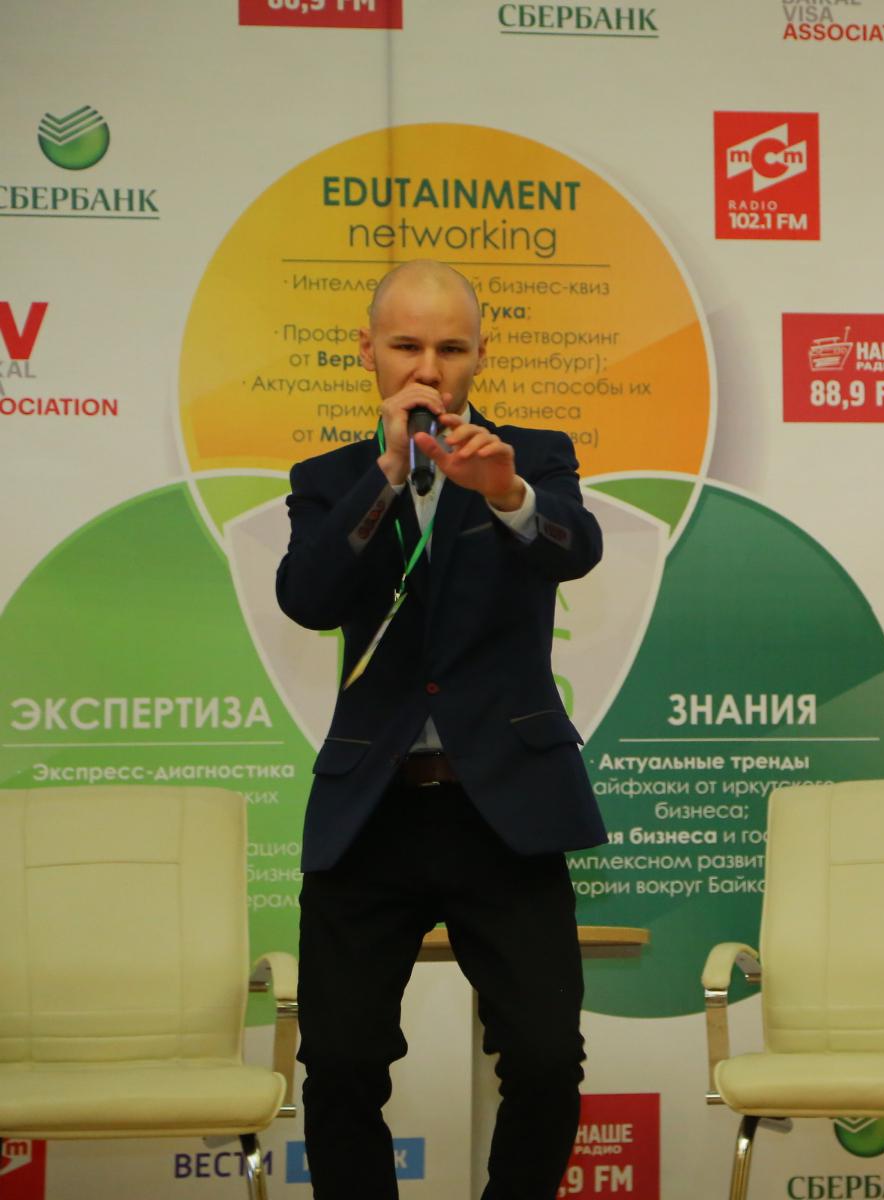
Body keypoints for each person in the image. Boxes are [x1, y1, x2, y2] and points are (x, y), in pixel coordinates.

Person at [275, 259, 607, 1199]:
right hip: (370, 812)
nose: (430, 369)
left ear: (480, 355)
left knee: (545, 1059)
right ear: (368, 351)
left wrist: (507, 494)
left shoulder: (530, 456)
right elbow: (307, 597)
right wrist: (387, 474)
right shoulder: (328, 479)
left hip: (506, 805)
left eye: (452, 348)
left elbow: (574, 548)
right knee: (340, 1063)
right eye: (408, 346)